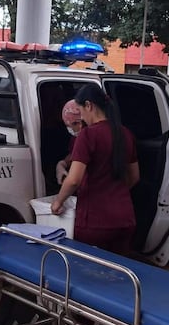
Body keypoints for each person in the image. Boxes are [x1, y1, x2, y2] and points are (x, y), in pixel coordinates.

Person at [50, 84, 140, 255]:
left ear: (89, 105)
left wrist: (58, 202)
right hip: (125, 219)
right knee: (118, 273)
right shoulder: (126, 134)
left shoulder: (88, 135)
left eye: (81, 110)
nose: (82, 116)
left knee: (88, 275)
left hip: (95, 223)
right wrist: (113, 192)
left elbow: (74, 179)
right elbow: (134, 176)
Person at [55, 99, 83, 185]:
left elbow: (73, 181)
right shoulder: (75, 137)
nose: (71, 128)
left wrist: (59, 199)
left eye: (74, 124)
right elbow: (73, 154)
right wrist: (62, 164)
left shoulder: (91, 138)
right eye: (67, 126)